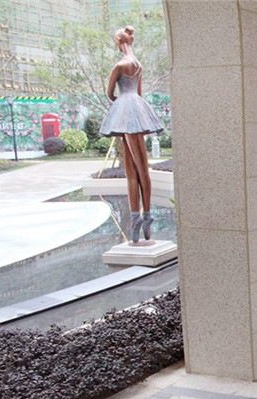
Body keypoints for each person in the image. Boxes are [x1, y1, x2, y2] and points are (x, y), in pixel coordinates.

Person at [100, 25, 163, 244]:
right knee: (138, 167)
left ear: (119, 42)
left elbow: (110, 93)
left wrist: (120, 104)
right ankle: (142, 216)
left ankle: (140, 216)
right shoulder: (138, 65)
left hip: (126, 111)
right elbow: (139, 93)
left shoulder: (119, 66)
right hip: (136, 108)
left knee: (136, 169)